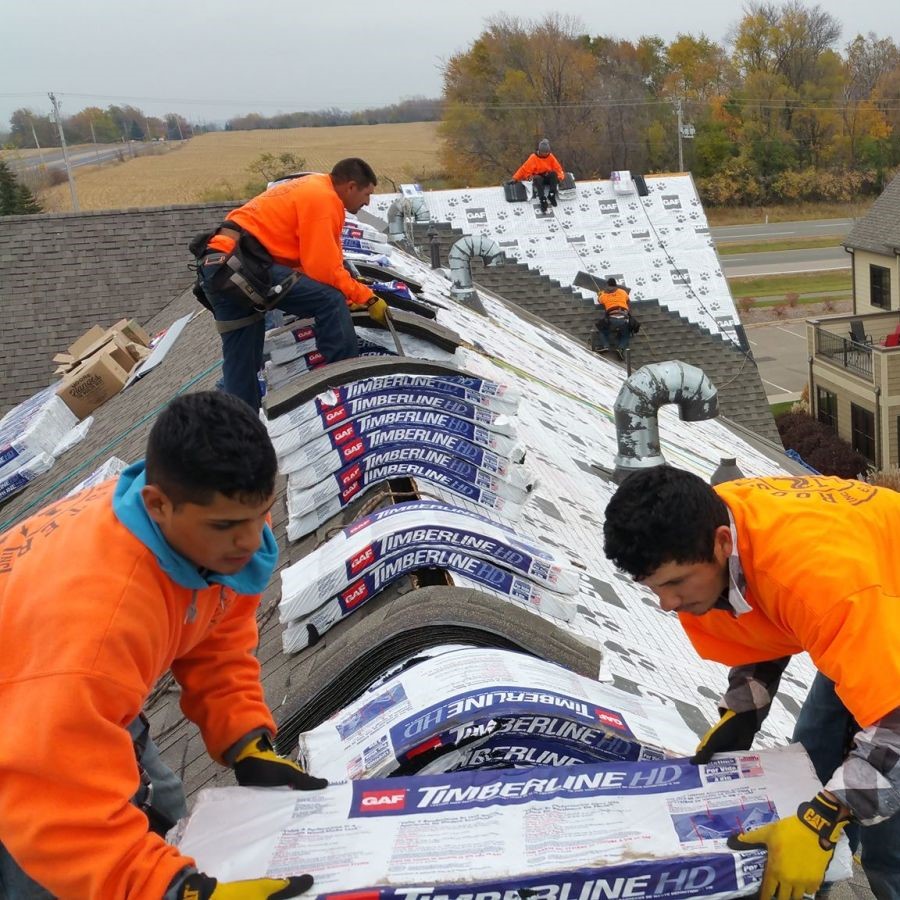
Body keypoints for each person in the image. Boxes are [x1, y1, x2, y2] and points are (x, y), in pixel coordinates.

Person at [0, 392, 326, 899]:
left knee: (162, 811)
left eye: (260, 514)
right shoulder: (100, 626)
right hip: (26, 738)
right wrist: (177, 890)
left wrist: (243, 735)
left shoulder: (208, 537)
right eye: (226, 527)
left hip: (65, 699)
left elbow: (214, 632)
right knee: (58, 879)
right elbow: (57, 800)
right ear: (158, 504)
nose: (250, 542)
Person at [602, 467, 900, 900]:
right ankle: (823, 877)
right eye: (653, 588)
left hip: (873, 602)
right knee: (813, 765)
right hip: (869, 605)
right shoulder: (709, 516)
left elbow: (895, 729)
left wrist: (825, 818)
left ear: (722, 543)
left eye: (675, 583)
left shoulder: (823, 584)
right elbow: (761, 607)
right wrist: (744, 710)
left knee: (886, 831)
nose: (667, 604)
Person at [197, 157, 390, 410]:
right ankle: (347, 383)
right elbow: (322, 269)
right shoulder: (324, 199)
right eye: (367, 194)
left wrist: (349, 293)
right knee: (329, 302)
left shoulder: (313, 186)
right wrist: (367, 297)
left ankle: (240, 429)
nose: (367, 202)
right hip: (239, 267)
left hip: (222, 268)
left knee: (243, 364)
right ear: (351, 186)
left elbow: (309, 262)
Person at [511, 139, 565, 213]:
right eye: (544, 152)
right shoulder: (533, 158)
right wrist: (515, 178)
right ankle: (543, 200)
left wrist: (560, 177)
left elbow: (558, 168)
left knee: (554, 174)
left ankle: (551, 195)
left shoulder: (550, 156)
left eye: (547, 152)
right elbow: (523, 169)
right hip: (537, 178)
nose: (546, 154)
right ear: (540, 151)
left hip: (546, 176)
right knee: (538, 178)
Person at [594, 278, 632, 358]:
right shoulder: (623, 292)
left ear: (607, 285)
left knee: (603, 331)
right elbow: (628, 300)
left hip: (612, 319)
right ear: (616, 285)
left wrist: (600, 294)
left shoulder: (604, 295)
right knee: (626, 334)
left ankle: (606, 346)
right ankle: (620, 349)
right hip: (624, 318)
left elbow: (599, 300)